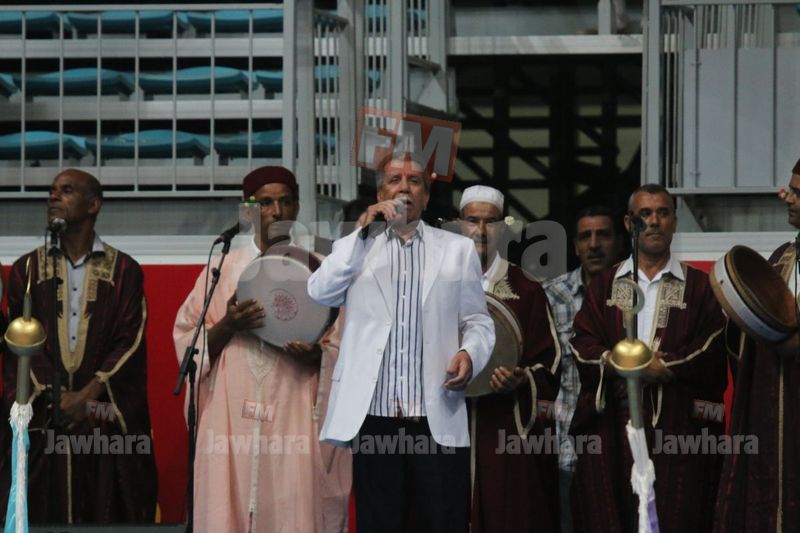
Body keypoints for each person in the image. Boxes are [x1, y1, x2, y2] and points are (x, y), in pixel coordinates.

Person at [307, 157, 495, 533]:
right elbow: (319, 292)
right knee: (380, 523)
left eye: (415, 181)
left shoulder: (457, 250)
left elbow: (478, 321)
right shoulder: (355, 247)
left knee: (443, 522)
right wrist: (362, 233)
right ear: (381, 193)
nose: (405, 187)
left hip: (434, 416)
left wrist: (469, 354)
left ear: (426, 196)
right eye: (395, 180)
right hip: (374, 418)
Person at [173, 166, 351, 532]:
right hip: (229, 419)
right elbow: (187, 342)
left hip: (292, 415)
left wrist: (316, 357)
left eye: (285, 202)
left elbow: (343, 349)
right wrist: (229, 324)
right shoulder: (221, 270)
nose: (276, 211)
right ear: (248, 210)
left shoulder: (321, 272)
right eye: (265, 203)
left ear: (297, 207)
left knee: (289, 508)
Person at [0, 168, 157, 523]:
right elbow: (19, 341)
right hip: (45, 414)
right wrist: (55, 398)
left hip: (100, 414)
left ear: (93, 205)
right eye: (52, 190)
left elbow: (129, 340)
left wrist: (87, 397)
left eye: (67, 190)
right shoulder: (27, 269)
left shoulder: (124, 271)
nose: (53, 196)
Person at [569, 183, 727, 533]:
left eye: (663, 213)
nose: (654, 221)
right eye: (645, 214)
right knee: (610, 516)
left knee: (679, 517)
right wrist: (616, 364)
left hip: (679, 433)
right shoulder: (605, 285)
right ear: (629, 223)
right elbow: (581, 341)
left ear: (674, 221)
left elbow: (712, 344)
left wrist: (662, 368)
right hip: (613, 427)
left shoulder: (701, 287)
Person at [458, 185, 561, 533]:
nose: (480, 230)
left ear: (503, 228)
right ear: (459, 225)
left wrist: (521, 379)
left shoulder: (526, 287)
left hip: (505, 426)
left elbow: (550, 363)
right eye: (472, 220)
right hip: (449, 422)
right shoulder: (438, 283)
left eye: (490, 222)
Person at [713, 159, 800, 532]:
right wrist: (740, 317)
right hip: (775, 416)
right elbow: (747, 342)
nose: (787, 197)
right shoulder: (781, 258)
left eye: (797, 192)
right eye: (790, 190)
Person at [543, 205, 623, 533]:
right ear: (575, 246)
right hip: (566, 443)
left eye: (603, 235)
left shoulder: (635, 295)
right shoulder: (552, 295)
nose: (594, 244)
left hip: (620, 443)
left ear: (619, 241)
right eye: (585, 236)